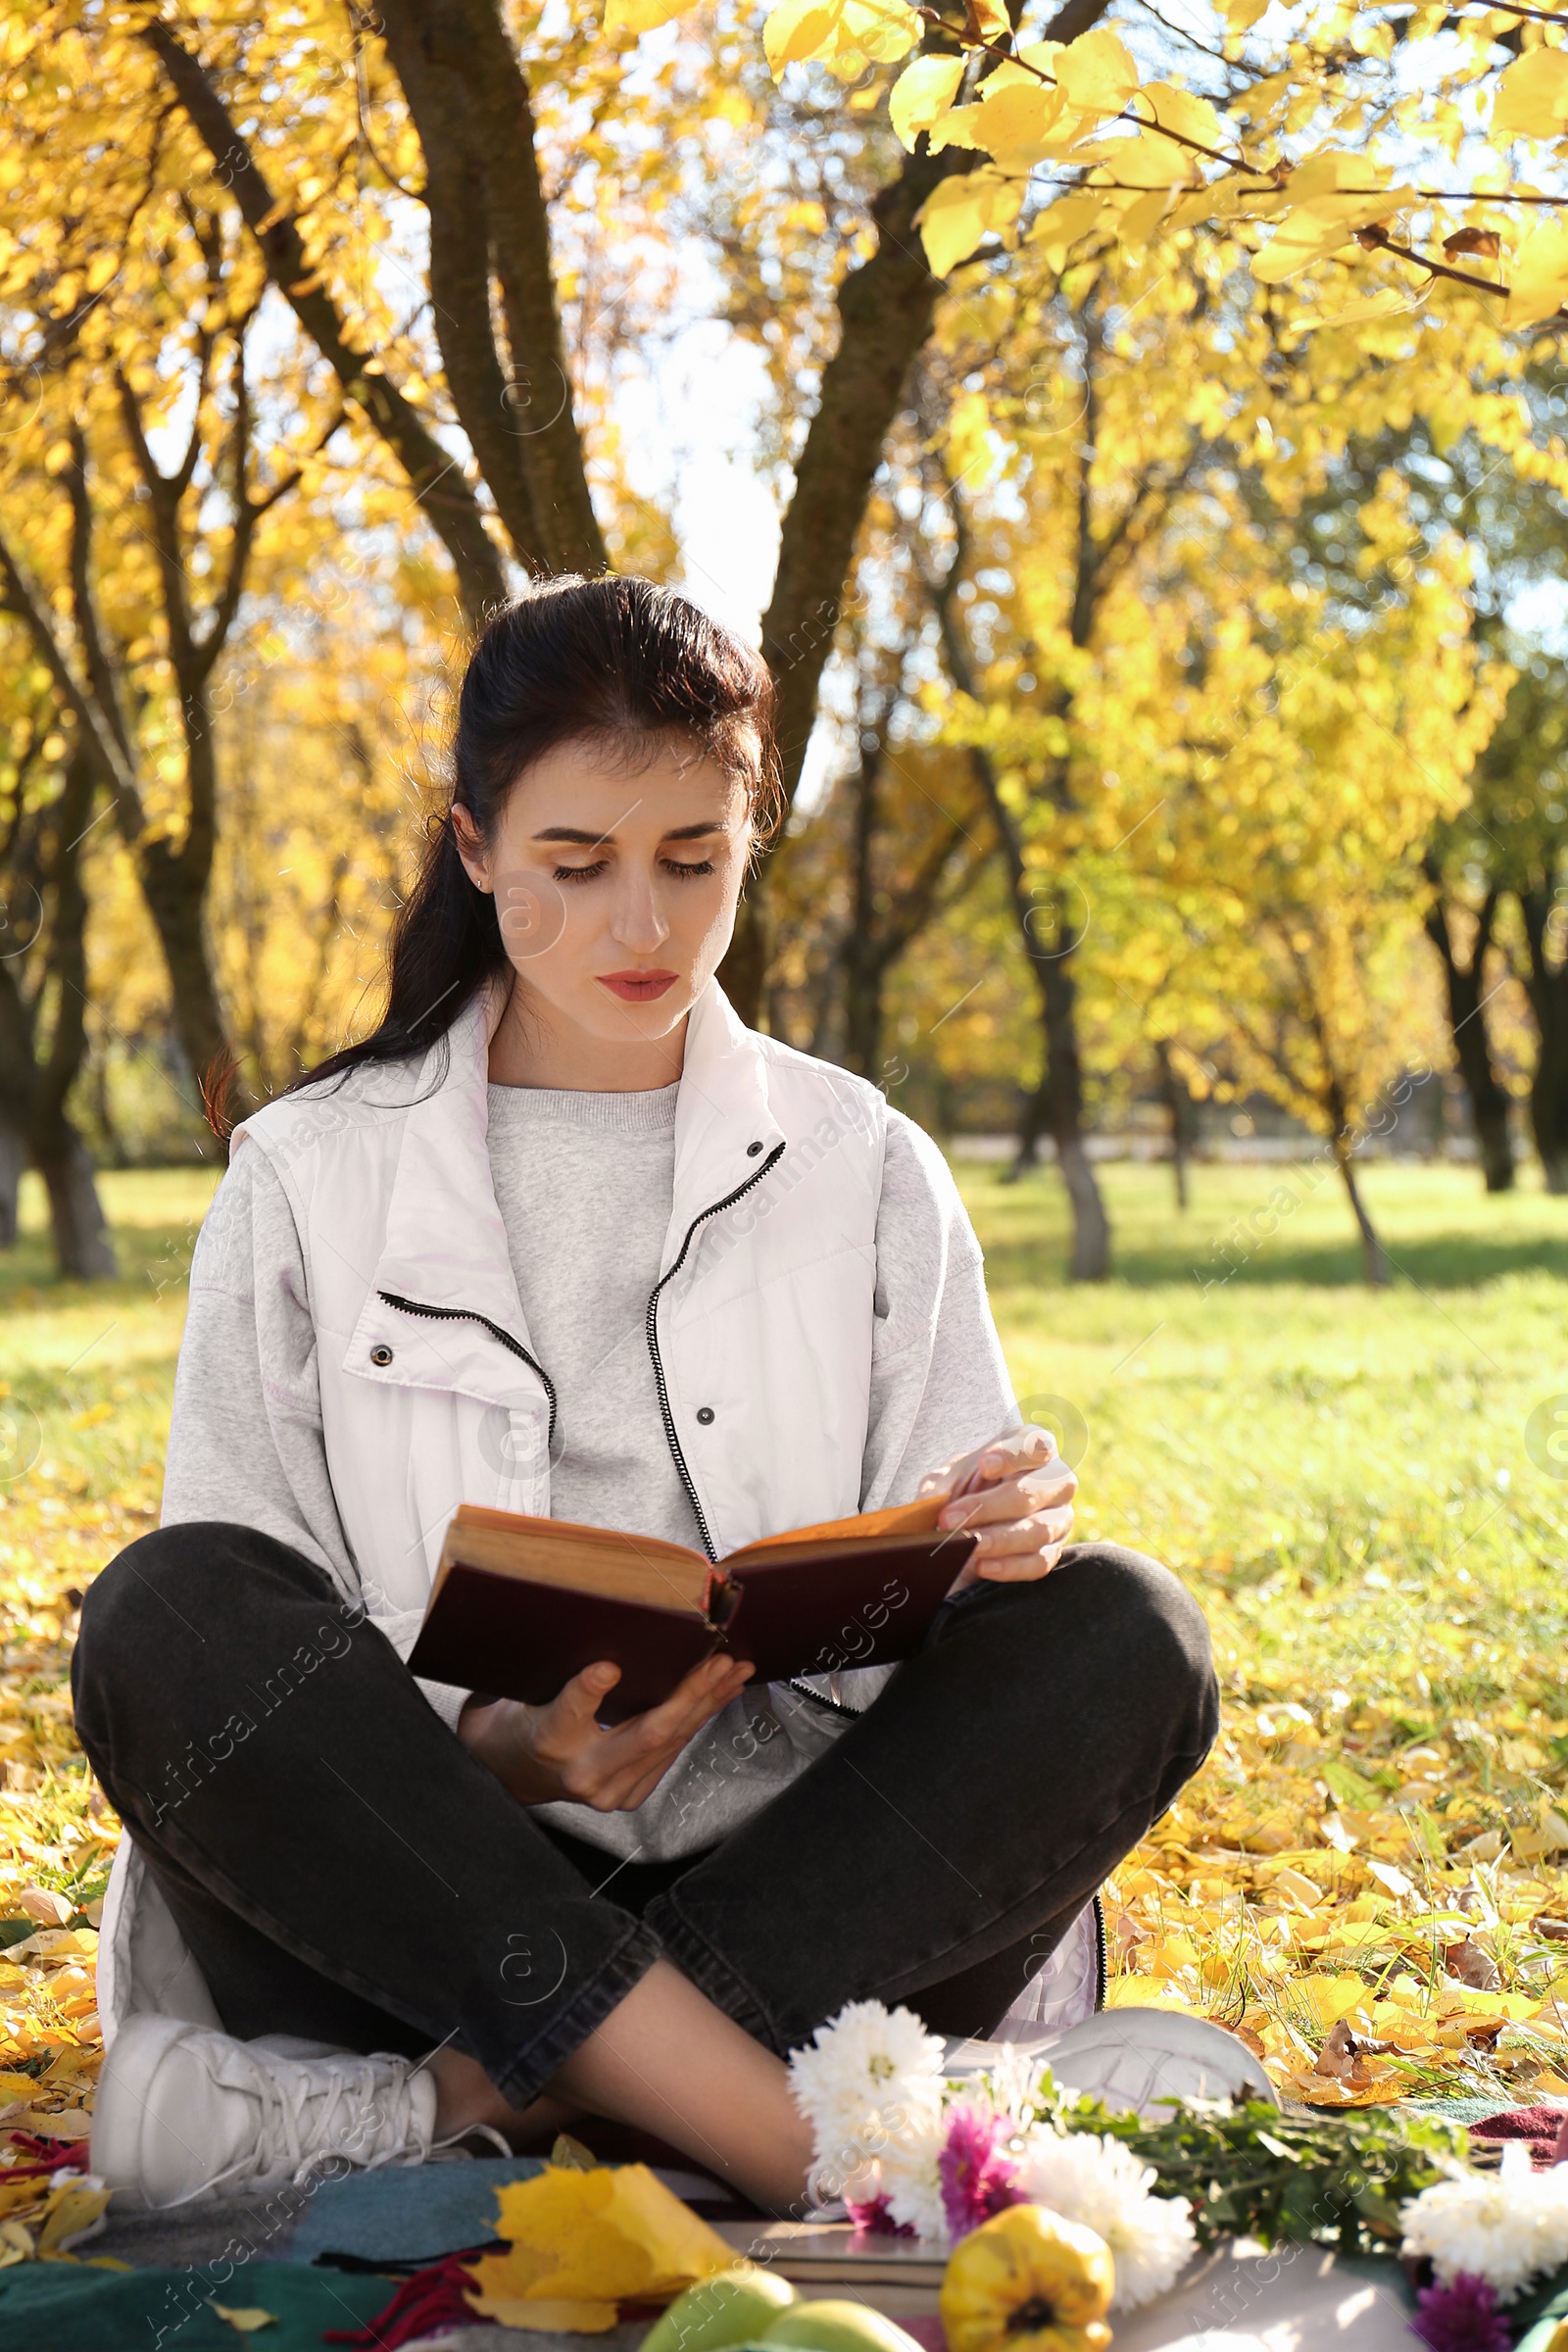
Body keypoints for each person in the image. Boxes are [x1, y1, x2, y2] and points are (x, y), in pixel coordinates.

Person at [74, 577, 1217, 2216]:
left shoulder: (864, 1168)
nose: (644, 928)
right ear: (476, 851)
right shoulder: (309, 1176)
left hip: (811, 1890)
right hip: (423, 1909)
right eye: (577, 867)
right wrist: (503, 1759)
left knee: (1129, 1629)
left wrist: (992, 1533)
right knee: (167, 1615)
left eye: (695, 862)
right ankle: (799, 2139)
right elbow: (266, 1648)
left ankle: (457, 2118)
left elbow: (946, 1596)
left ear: (754, 837)